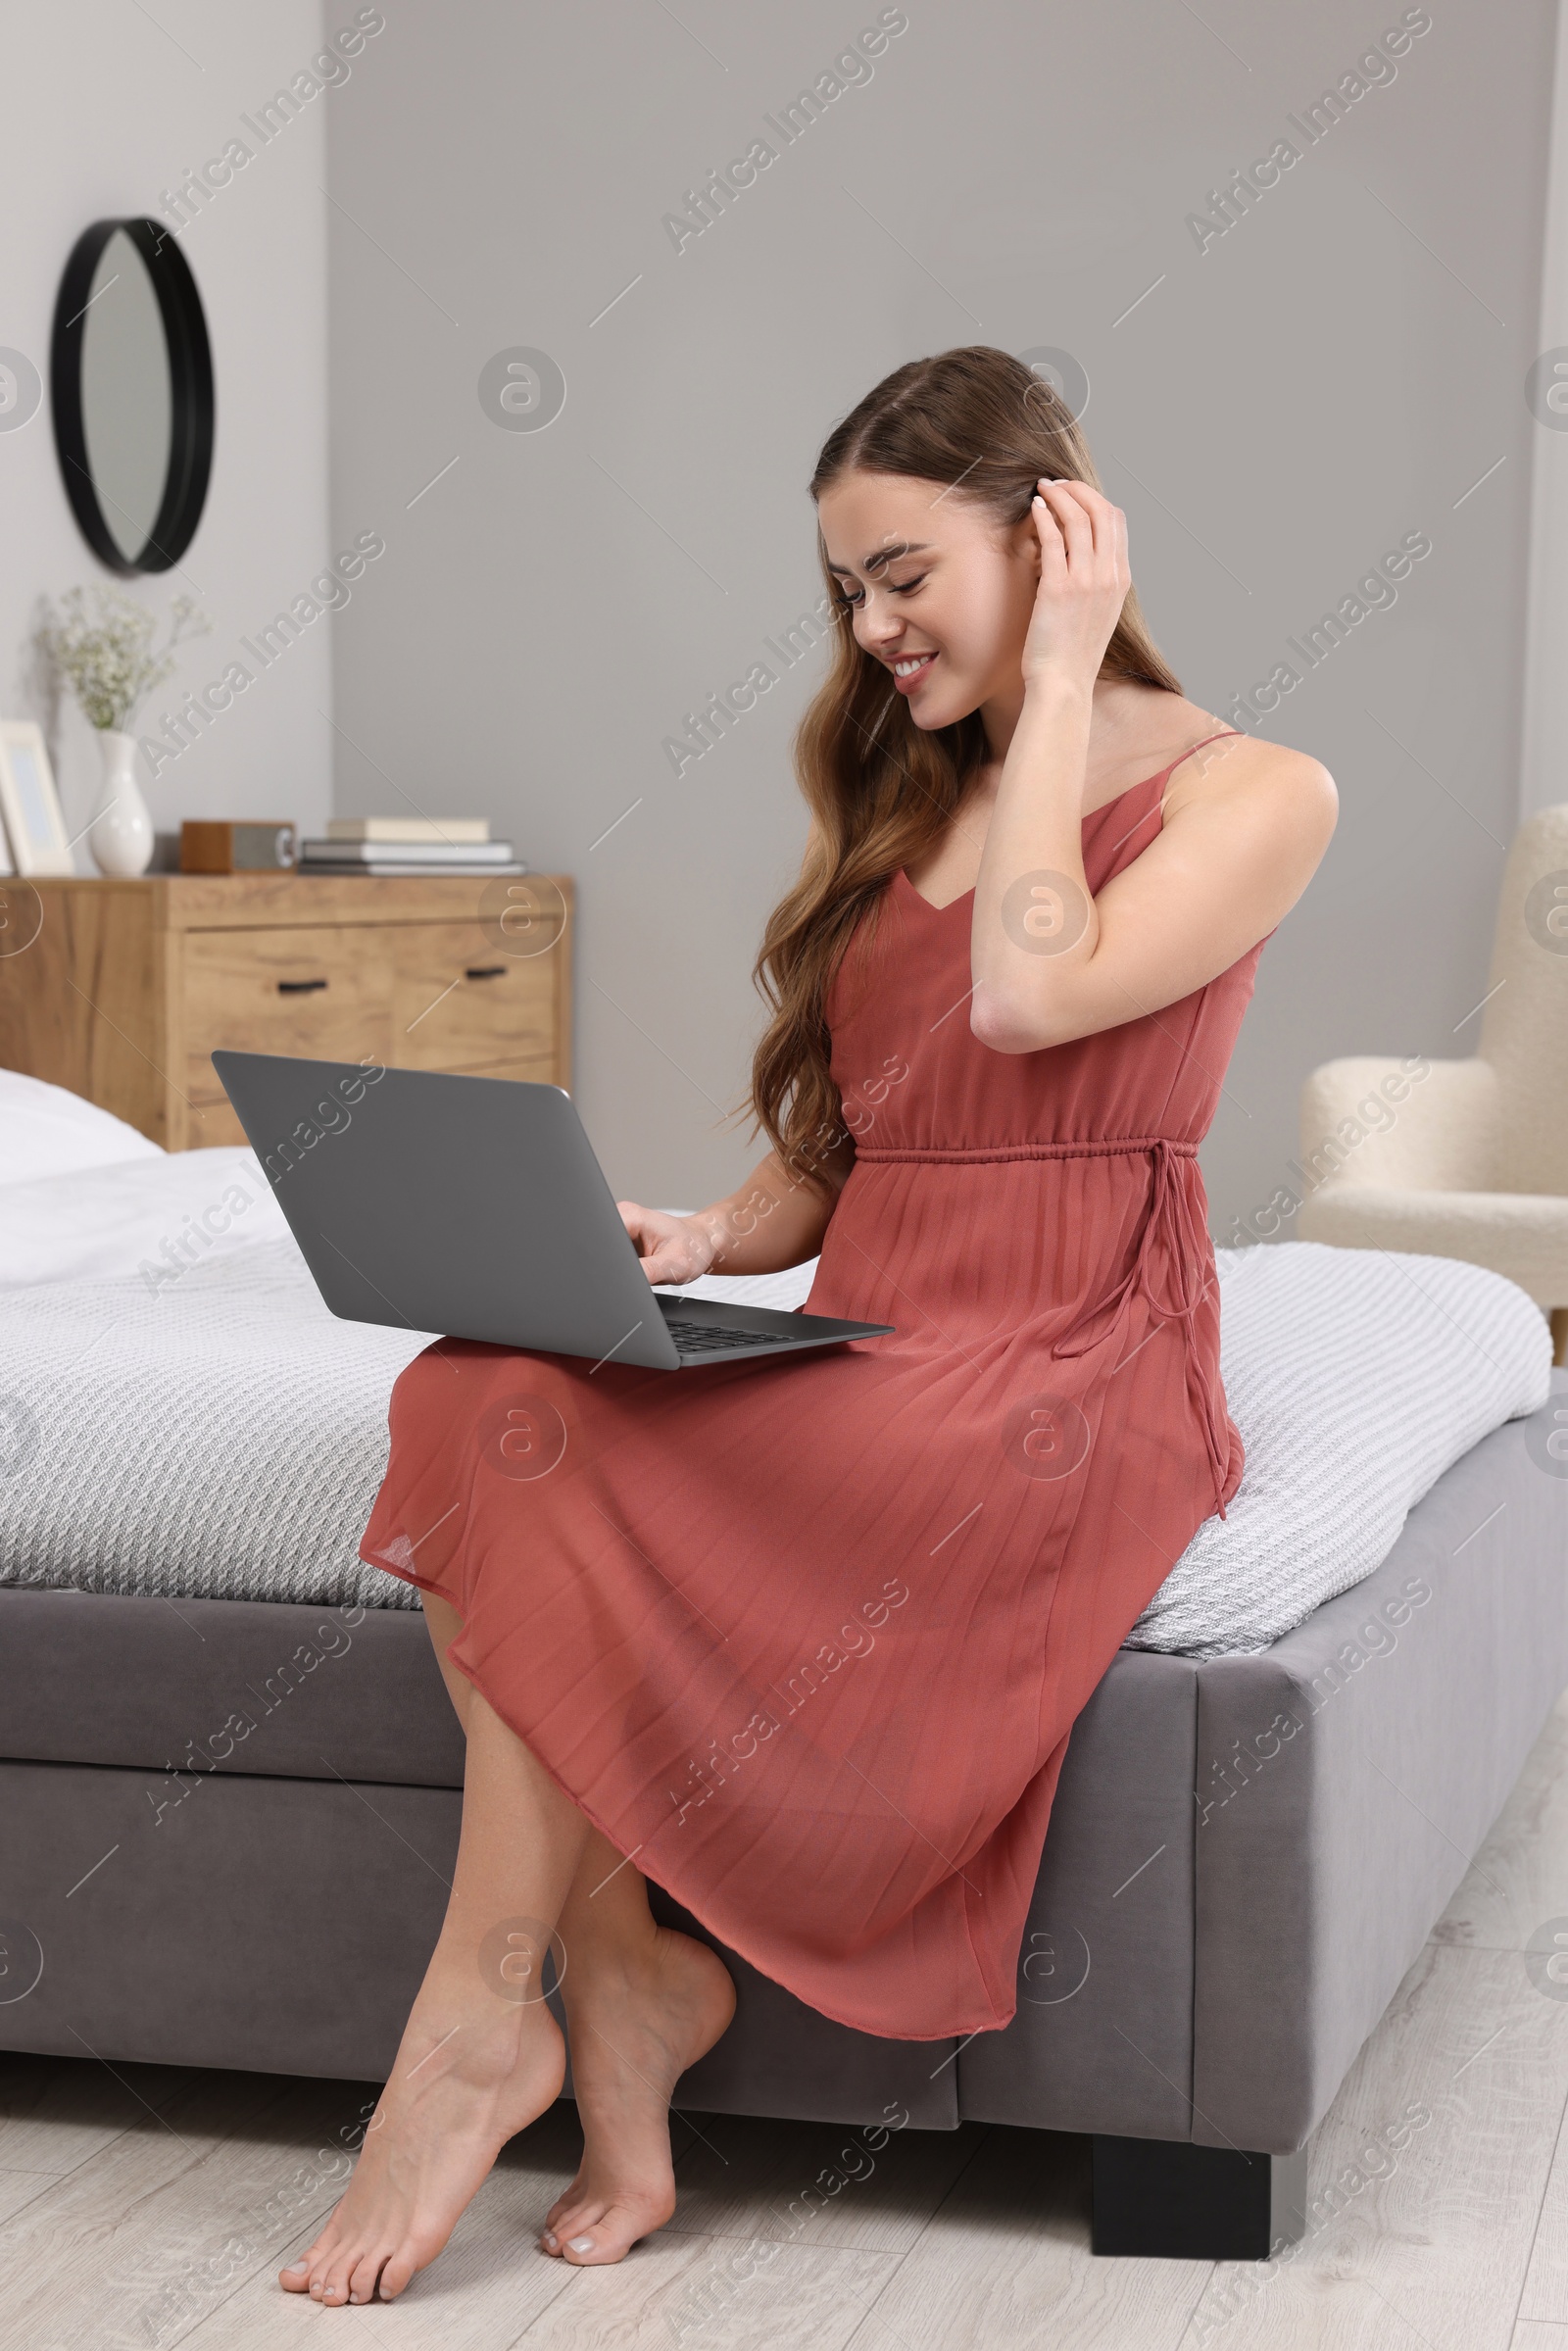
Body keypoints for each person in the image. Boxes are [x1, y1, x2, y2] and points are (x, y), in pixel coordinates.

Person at [281, 345, 1336, 2307]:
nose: (867, 632)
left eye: (904, 577)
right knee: (478, 1393)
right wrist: (703, 1239)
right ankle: (610, 1986)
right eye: (842, 592)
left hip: (1060, 1368)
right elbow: (880, 1122)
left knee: (529, 1441)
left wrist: (1060, 687)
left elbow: (1032, 1006)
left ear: (1052, 538)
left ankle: (479, 2022)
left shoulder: (1256, 790)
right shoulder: (911, 785)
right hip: (874, 1331)